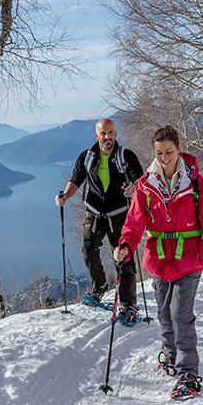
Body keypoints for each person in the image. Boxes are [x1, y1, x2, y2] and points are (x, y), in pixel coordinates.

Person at [114, 125, 203, 399]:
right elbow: (134, 222)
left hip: (189, 258)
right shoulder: (146, 185)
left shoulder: (195, 183)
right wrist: (126, 245)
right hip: (159, 258)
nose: (164, 157)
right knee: (164, 314)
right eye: (159, 152)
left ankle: (189, 373)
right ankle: (170, 352)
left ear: (179, 150)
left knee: (180, 315)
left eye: (169, 152)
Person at [56, 118, 144, 324]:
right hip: (94, 212)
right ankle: (99, 286)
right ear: (97, 136)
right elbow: (75, 179)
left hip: (120, 214)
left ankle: (128, 304)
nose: (108, 137)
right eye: (104, 133)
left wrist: (134, 187)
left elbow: (140, 179)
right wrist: (64, 197)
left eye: (111, 132)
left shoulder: (126, 156)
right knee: (88, 249)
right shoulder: (86, 157)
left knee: (124, 258)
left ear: (115, 134)